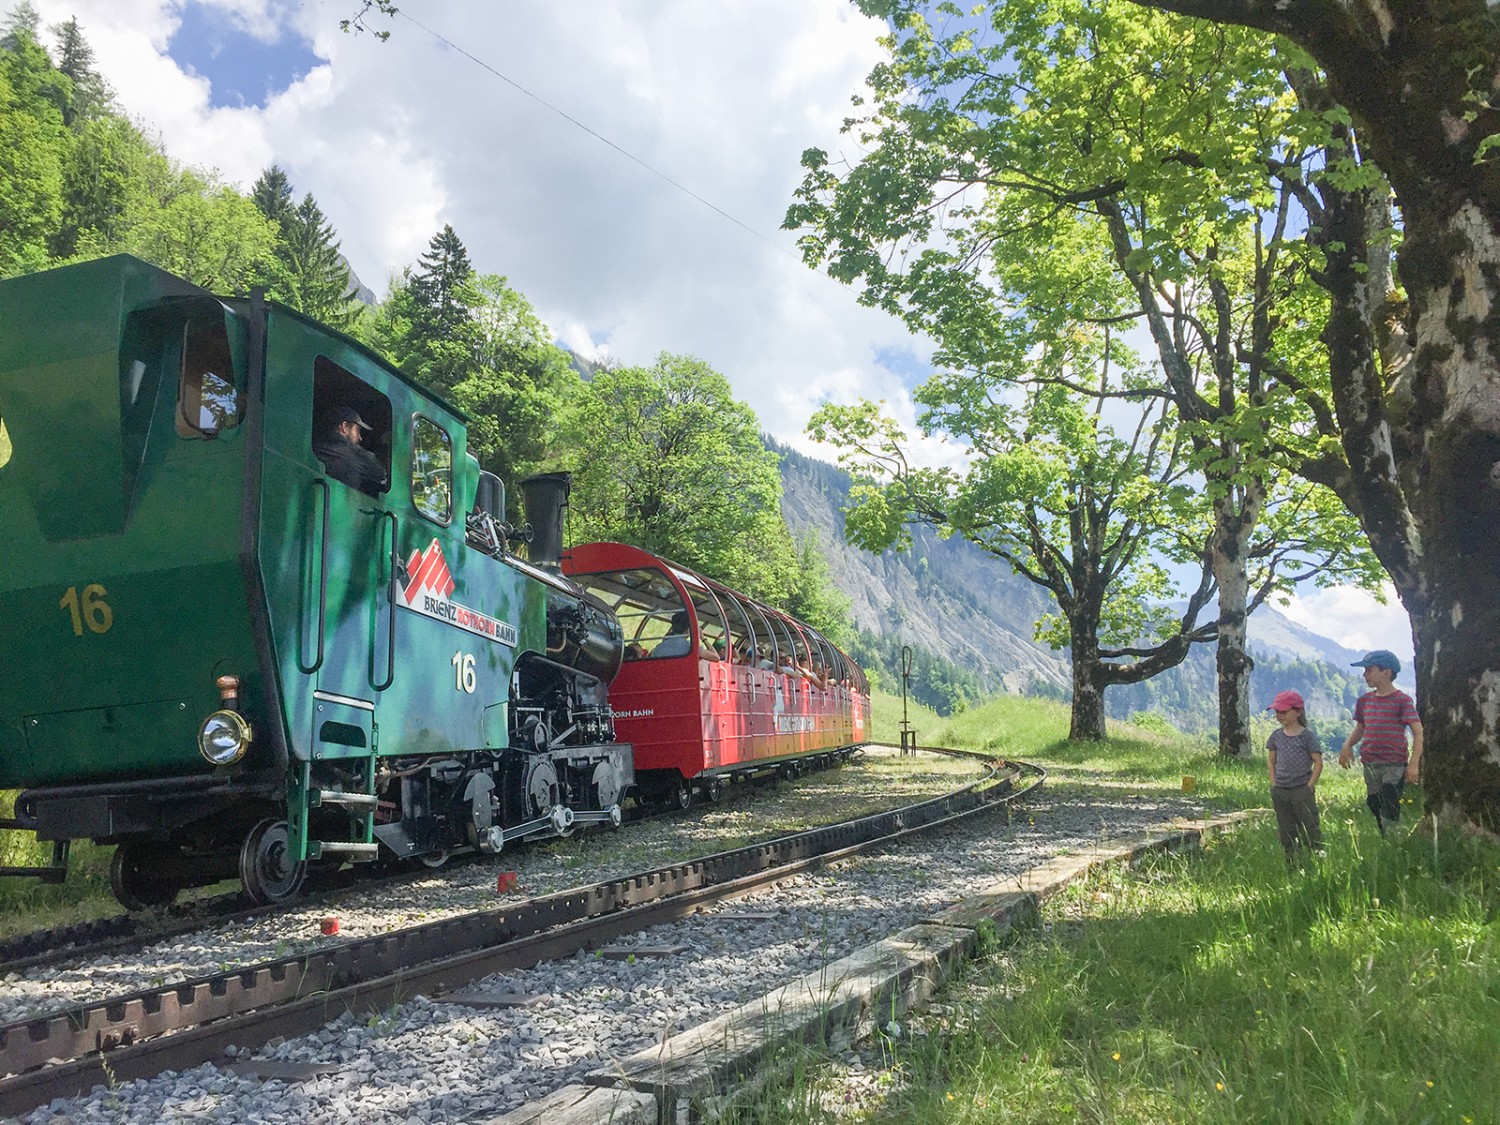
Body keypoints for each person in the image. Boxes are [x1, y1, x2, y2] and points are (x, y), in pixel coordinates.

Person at [1338, 649, 1423, 835]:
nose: (1364, 674)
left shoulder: (1402, 700)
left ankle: (1392, 836)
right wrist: (1347, 745)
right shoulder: (1365, 701)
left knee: (1390, 795)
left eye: (1369, 670)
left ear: (1386, 672)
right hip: (1370, 761)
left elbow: (1417, 731)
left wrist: (1414, 764)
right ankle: (1385, 834)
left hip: (1394, 761)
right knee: (1374, 801)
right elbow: (1360, 728)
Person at [1265, 689, 1323, 864]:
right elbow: (1271, 761)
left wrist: (1309, 786)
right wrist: (1274, 783)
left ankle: (1317, 857)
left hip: (1301, 789)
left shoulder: (1307, 737)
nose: (1279, 716)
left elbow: (1318, 762)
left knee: (1309, 825)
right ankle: (1292, 861)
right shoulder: (1276, 737)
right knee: (1286, 828)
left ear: (1297, 712)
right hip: (1281, 791)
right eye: (1277, 712)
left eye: (1284, 712)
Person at [314, 405, 386, 494]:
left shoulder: (314, 448)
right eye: (358, 430)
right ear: (344, 427)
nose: (360, 438)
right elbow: (383, 479)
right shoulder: (360, 456)